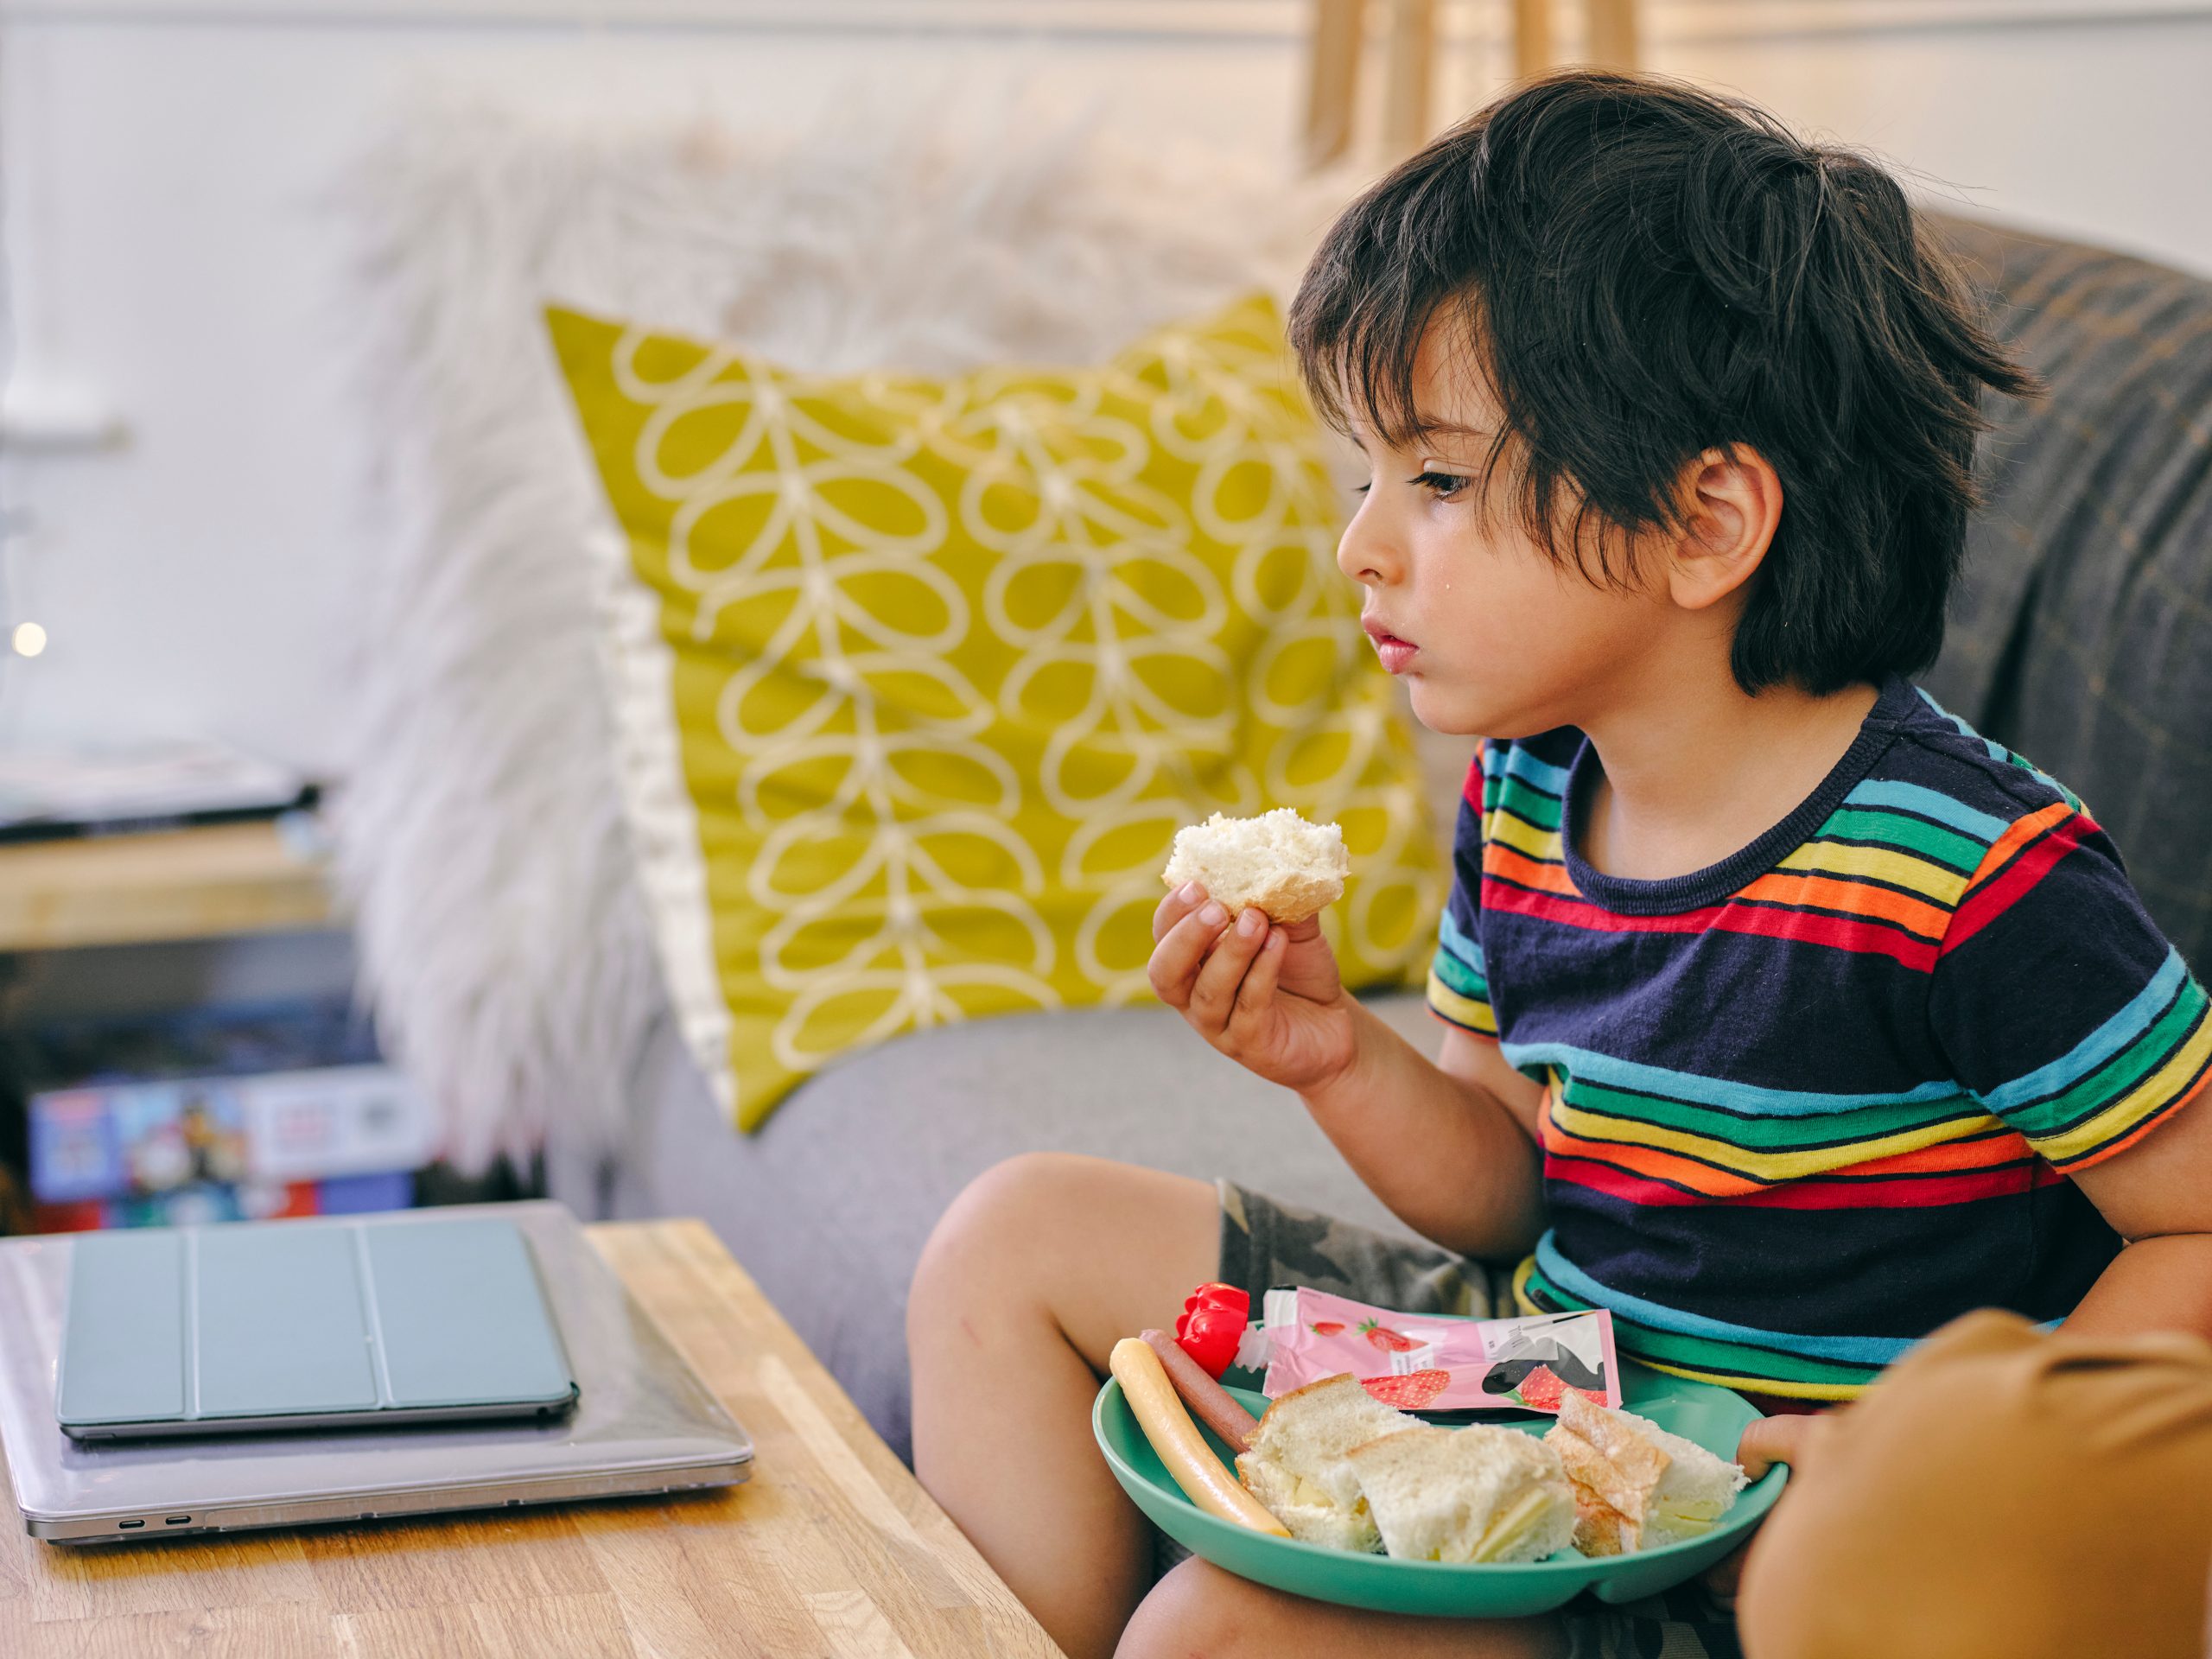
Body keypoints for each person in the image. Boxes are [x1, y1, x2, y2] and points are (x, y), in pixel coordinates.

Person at [906, 68, 2212, 1659]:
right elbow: (1509, 1183)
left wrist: (1950, 1477)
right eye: (1371, 472)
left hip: (1752, 1537)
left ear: (1702, 523)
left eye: (1439, 480)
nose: (1361, 544)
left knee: (1213, 1634)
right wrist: (1334, 1061)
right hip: (1551, 1384)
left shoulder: (1976, 871)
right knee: (1011, 1235)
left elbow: (2195, 1224)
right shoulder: (1527, 790)